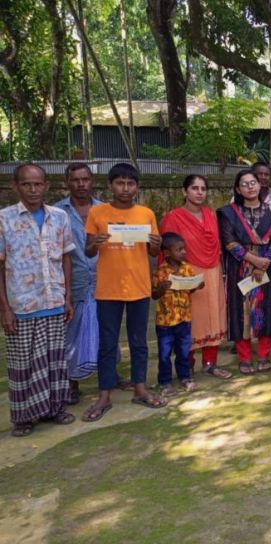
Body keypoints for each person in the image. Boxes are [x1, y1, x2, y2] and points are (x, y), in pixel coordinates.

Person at [82, 163, 166, 422]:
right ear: (110, 186)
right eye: (120, 183)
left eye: (130, 184)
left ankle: (140, 387)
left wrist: (157, 245)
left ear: (137, 187)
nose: (125, 188)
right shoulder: (97, 213)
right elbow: (87, 251)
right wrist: (94, 244)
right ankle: (104, 394)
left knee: (139, 341)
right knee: (107, 343)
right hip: (108, 289)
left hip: (139, 287)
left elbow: (152, 252)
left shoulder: (146, 213)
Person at [0, 164, 76, 436]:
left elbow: (66, 257)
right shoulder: (4, 219)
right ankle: (23, 418)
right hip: (21, 306)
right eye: (26, 184)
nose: (33, 190)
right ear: (15, 186)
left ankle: (56, 408)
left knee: (55, 361)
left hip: (54, 301)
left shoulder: (59, 217)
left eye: (37, 184)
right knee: (24, 366)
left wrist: (67, 297)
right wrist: (5, 309)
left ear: (46, 186)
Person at [160, 175, 232, 379]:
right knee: (190, 319)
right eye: (194, 188)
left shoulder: (210, 214)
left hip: (212, 271)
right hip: (186, 274)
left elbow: (216, 244)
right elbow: (165, 249)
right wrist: (171, 277)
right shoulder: (174, 217)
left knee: (214, 316)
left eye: (203, 188)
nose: (200, 192)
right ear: (185, 192)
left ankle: (210, 363)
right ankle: (187, 366)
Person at [217, 169, 271, 375]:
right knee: (239, 311)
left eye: (253, 182)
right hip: (239, 266)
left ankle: (264, 354)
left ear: (260, 184)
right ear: (237, 188)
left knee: (266, 308)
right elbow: (229, 242)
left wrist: (264, 263)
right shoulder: (228, 213)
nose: (250, 186)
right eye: (244, 184)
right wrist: (254, 260)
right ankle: (244, 357)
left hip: (266, 266)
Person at [55, 163, 103, 404]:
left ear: (92, 181)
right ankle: (71, 382)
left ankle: (109, 375)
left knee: (106, 330)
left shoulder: (105, 210)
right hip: (72, 283)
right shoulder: (57, 212)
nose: (81, 184)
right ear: (67, 182)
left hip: (103, 280)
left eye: (85, 179)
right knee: (70, 334)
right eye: (75, 180)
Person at [152, 233, 204, 397]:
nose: (183, 252)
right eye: (179, 249)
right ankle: (165, 382)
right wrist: (162, 287)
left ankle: (185, 377)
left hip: (184, 318)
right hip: (165, 321)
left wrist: (197, 285)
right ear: (167, 253)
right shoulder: (161, 271)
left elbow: (190, 289)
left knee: (183, 351)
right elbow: (154, 295)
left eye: (184, 249)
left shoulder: (187, 268)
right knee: (164, 353)